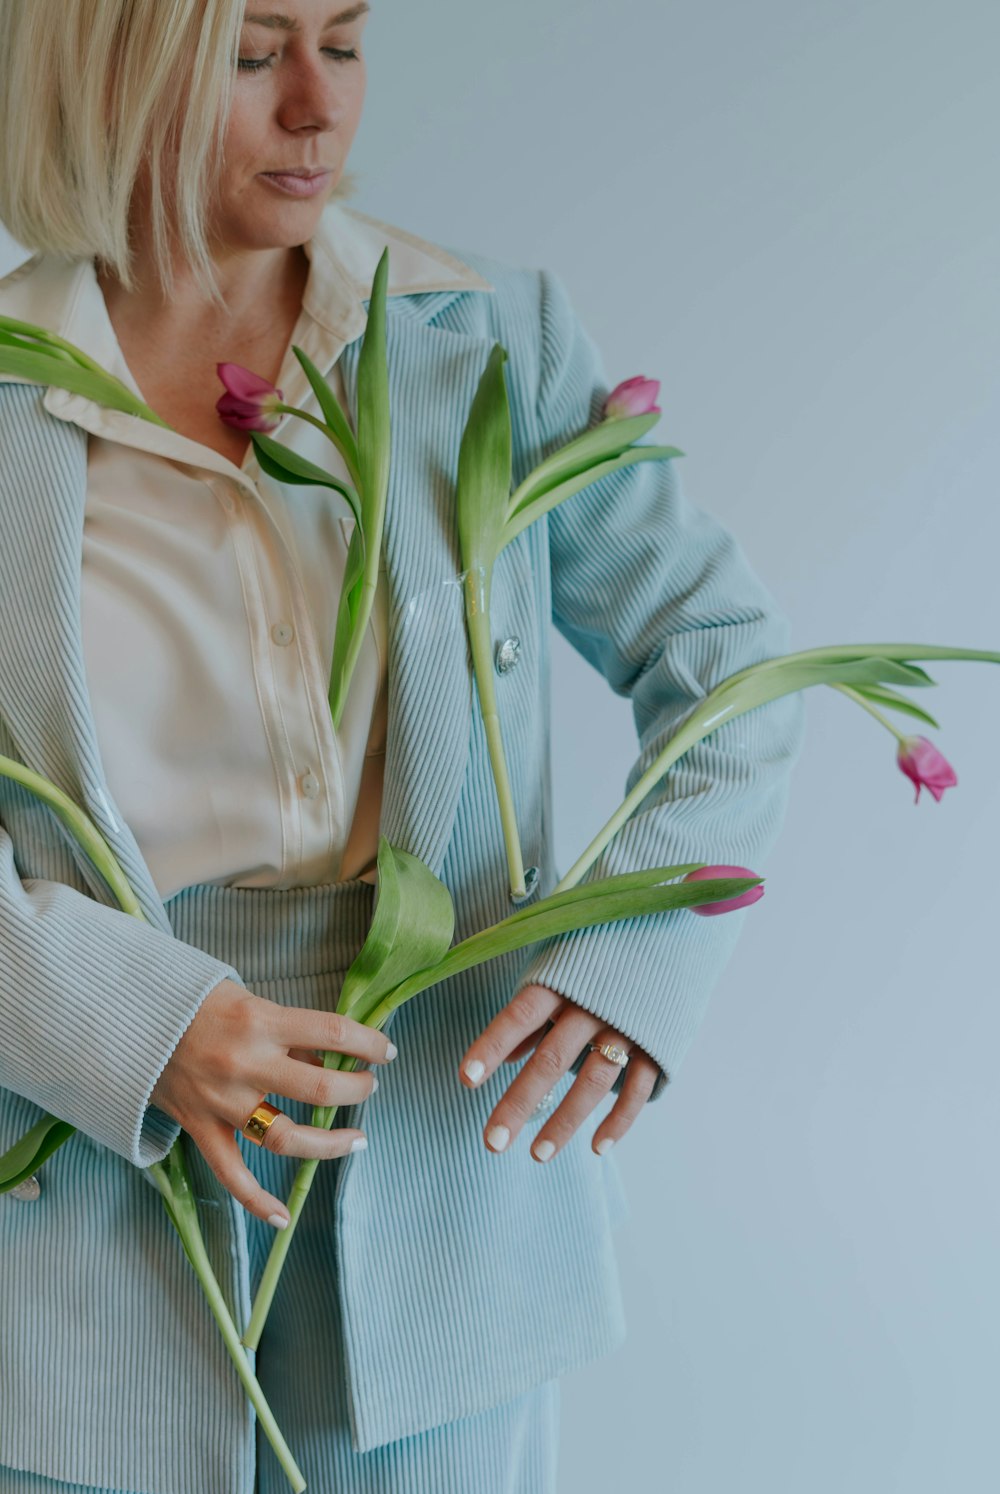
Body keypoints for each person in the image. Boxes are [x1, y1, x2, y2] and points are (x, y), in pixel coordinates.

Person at [0, 2, 806, 1491]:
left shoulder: (485, 333)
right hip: (79, 1190)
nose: (321, 108)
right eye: (253, 56)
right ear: (111, 68)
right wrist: (134, 1022)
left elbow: (731, 663)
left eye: (346, 41)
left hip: (447, 1147)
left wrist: (629, 957)